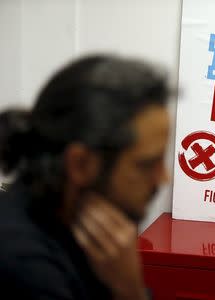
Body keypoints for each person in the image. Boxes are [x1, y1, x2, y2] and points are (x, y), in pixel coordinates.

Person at [0, 54, 171, 299]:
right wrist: (130, 291)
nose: (163, 179)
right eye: (146, 165)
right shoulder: (26, 268)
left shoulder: (88, 231)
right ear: (80, 164)